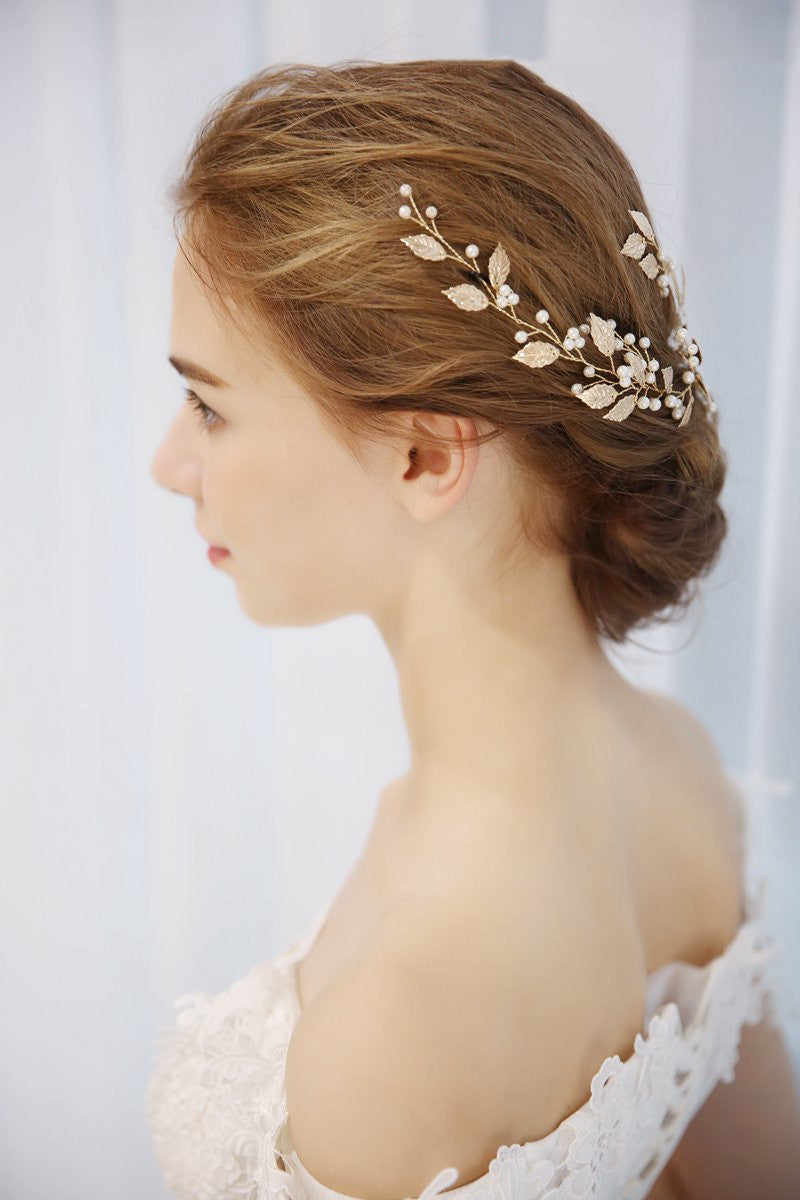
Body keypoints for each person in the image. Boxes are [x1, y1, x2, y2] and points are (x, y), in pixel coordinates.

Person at [146, 58, 800, 1199]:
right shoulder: (680, 776)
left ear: (424, 456)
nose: (169, 463)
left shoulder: (403, 1023)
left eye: (208, 404)